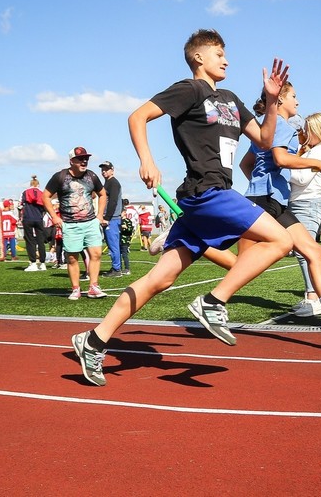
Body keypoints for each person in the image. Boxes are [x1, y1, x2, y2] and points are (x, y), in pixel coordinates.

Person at [71, 28, 291, 386]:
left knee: (160, 278)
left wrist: (271, 101)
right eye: (220, 53)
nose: (227, 59)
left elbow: (265, 140)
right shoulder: (189, 90)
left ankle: (93, 341)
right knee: (280, 240)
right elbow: (137, 117)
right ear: (198, 58)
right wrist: (147, 160)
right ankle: (214, 302)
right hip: (204, 191)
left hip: (212, 193)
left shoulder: (232, 99)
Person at [238, 84, 321, 335]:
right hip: (267, 198)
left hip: (271, 197)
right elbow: (280, 159)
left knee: (313, 252)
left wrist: (260, 180)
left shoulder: (268, 125)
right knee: (241, 263)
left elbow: (247, 164)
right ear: (279, 101)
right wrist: (316, 164)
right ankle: (193, 232)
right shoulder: (278, 124)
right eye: (294, 97)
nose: (298, 102)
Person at [287, 112, 321, 315]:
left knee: (305, 251)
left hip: (308, 203)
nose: (304, 132)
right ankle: (311, 295)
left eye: (308, 128)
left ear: (318, 130)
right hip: (299, 202)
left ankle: (314, 297)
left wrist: (285, 163)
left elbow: (300, 179)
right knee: (301, 250)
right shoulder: (310, 151)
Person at [43, 146, 107, 300]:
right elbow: (45, 196)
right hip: (70, 224)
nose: (84, 161)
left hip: (90, 222)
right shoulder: (60, 176)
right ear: (71, 161)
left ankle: (93, 286)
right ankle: (76, 288)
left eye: (86, 158)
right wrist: (54, 217)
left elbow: (103, 194)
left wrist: (99, 215)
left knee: (96, 254)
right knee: (72, 258)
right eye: (80, 158)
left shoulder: (92, 176)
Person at [98, 161, 123, 277]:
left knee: (113, 245)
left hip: (112, 218)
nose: (104, 171)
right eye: (102, 169)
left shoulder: (113, 183)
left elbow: (113, 201)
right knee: (112, 244)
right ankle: (116, 267)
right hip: (110, 218)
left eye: (106, 169)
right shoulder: (108, 183)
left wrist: (107, 218)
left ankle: (116, 269)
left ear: (112, 170)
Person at [20, 175, 48, 271]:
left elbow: (21, 205)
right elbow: (45, 206)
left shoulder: (25, 192)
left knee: (30, 241)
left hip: (28, 218)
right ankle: (43, 263)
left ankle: (33, 263)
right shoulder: (42, 193)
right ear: (38, 184)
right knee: (41, 241)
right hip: (39, 218)